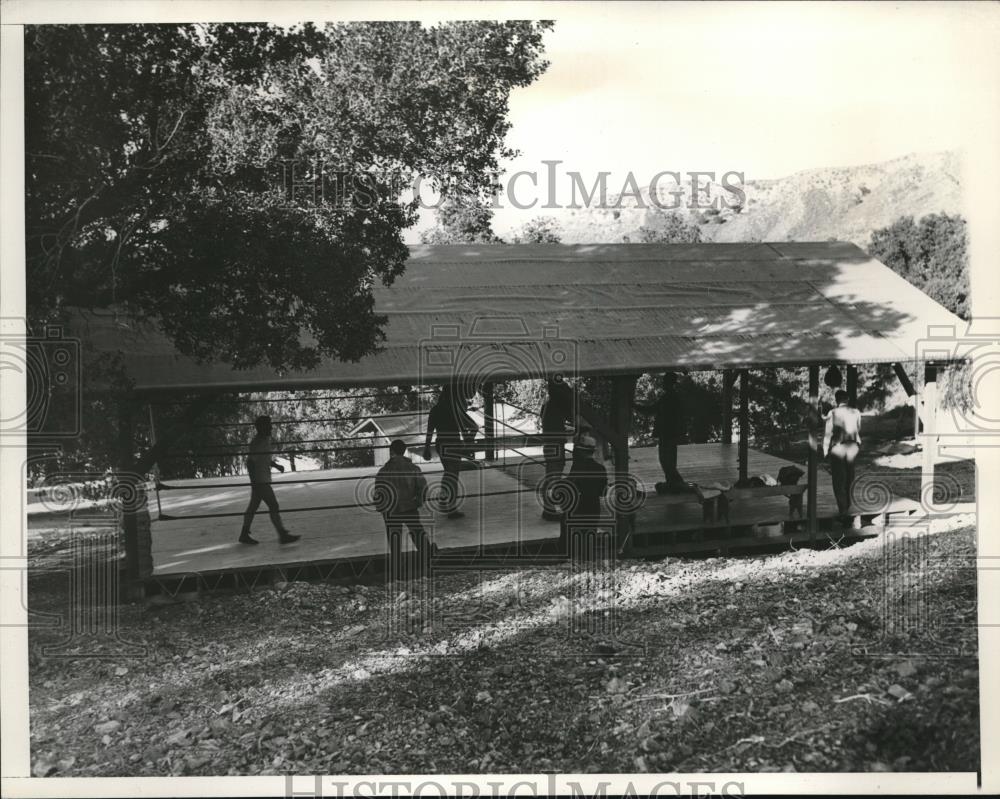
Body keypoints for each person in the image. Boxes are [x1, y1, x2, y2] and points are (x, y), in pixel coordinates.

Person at [375, 439, 437, 570]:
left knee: (394, 538)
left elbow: (379, 493)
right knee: (418, 533)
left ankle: (398, 566)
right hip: (410, 506)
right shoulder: (413, 468)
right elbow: (423, 488)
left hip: (391, 509)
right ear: (404, 451)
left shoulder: (383, 471)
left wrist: (382, 510)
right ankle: (429, 558)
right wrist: (418, 502)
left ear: (391, 451)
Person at [238, 415, 300, 545]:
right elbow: (250, 463)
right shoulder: (258, 443)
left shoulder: (265, 440)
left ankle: (244, 534)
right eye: (269, 425)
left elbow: (263, 458)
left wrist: (275, 465)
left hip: (262, 479)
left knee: (253, 507)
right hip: (260, 481)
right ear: (261, 427)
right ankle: (282, 534)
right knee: (273, 505)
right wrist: (254, 482)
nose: (271, 427)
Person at [423, 384, 479, 519]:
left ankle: (444, 499)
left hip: (441, 443)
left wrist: (426, 448)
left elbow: (430, 431)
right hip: (453, 443)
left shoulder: (435, 410)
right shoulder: (455, 409)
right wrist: (468, 441)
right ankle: (451, 508)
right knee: (453, 475)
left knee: (449, 472)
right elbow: (473, 426)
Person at [633, 372, 686, 490]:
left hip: (668, 434)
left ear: (668, 383)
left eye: (664, 382)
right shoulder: (671, 397)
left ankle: (676, 483)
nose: (662, 384)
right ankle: (673, 483)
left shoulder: (669, 397)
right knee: (668, 460)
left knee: (666, 460)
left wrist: (635, 406)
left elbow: (652, 409)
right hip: (669, 434)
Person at [561, 432, 608, 551]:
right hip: (593, 505)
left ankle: (567, 553)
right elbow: (603, 492)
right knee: (589, 533)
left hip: (578, 506)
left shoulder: (577, 468)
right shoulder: (600, 468)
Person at [823, 389, 862, 524]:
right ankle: (848, 504)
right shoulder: (856, 412)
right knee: (850, 476)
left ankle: (843, 509)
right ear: (848, 399)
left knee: (839, 478)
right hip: (853, 446)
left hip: (838, 447)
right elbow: (858, 428)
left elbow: (828, 433)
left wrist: (825, 450)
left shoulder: (832, 413)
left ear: (836, 400)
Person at [540, 375, 575, 521]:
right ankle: (549, 509)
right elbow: (570, 415)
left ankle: (549, 508)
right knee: (553, 477)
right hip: (555, 443)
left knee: (552, 476)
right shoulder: (556, 405)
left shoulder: (547, 404)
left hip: (550, 443)